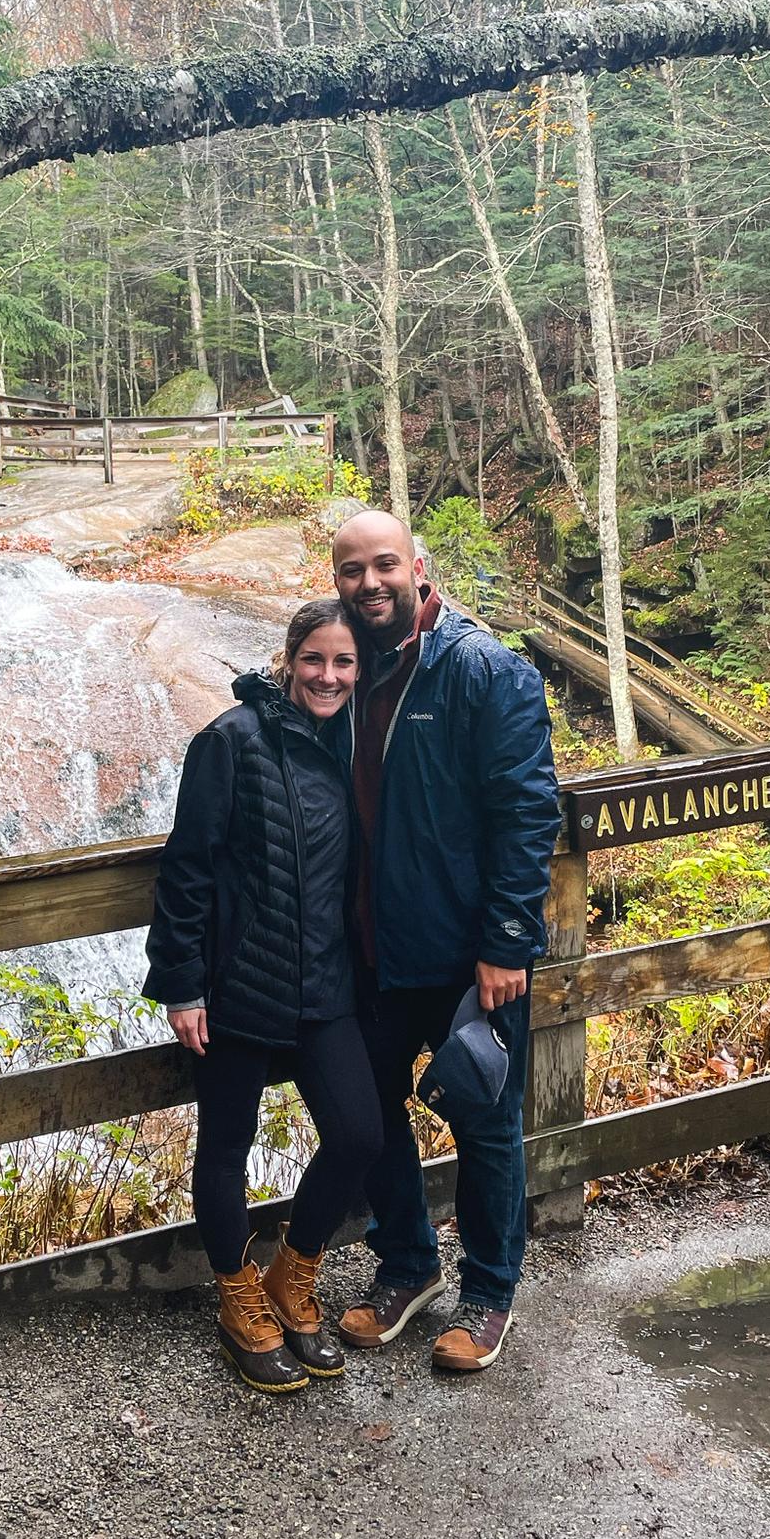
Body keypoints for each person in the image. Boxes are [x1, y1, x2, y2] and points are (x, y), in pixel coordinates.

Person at [327, 509, 563, 1373]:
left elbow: (529, 810)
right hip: (372, 952)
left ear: (417, 567)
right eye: (352, 572)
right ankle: (408, 1267)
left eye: (383, 566)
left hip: (471, 957)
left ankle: (490, 1292)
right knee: (370, 1114)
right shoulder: (347, 663)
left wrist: (506, 940)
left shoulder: (479, 668)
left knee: (488, 1122)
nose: (369, 584)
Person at [143, 600, 382, 1395]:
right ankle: (237, 1296)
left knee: (358, 1133)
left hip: (326, 983)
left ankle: (292, 1275)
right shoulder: (229, 741)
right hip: (239, 982)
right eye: (315, 659)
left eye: (344, 663)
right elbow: (187, 869)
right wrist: (181, 983)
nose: (328, 675)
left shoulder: (353, 737)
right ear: (288, 659)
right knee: (226, 1146)